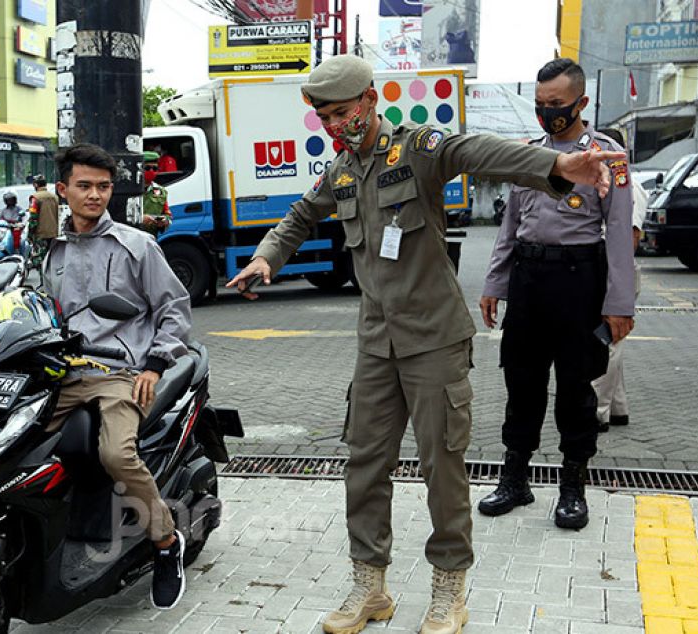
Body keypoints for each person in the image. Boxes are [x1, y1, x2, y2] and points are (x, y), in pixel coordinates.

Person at [225, 55, 622, 634]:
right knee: (363, 465)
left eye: (342, 113)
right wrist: (266, 257)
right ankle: (370, 588)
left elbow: (479, 151)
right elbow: (299, 216)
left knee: (443, 469)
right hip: (375, 344)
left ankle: (448, 592)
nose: (336, 126)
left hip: (434, 340)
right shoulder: (341, 170)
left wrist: (558, 164)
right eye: (325, 118)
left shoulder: (418, 148)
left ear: (368, 100)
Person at [478, 59, 636, 533]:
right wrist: (494, 283)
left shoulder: (608, 157)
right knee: (521, 384)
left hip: (579, 281)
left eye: (557, 105)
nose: (548, 113)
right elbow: (510, 227)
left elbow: (618, 234)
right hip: (529, 280)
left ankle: (573, 486)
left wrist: (619, 304)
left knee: (575, 388)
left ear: (581, 103)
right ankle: (515, 478)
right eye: (541, 105)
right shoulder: (529, 155)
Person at [41, 144, 192, 610]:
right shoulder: (52, 249)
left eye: (103, 187)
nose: (95, 195)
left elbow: (174, 309)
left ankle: (166, 544)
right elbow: (41, 308)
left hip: (119, 372)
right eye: (84, 186)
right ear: (63, 190)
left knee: (117, 455)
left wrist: (154, 364)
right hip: (61, 372)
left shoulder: (137, 245)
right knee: (12, 445)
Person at [591, 128, 646, 432]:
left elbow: (631, 238)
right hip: (606, 269)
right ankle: (618, 408)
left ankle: (598, 410)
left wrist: (615, 278)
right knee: (615, 341)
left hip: (616, 272)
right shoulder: (603, 180)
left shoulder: (629, 186)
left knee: (607, 341)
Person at [27, 174, 59, 270]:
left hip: (41, 235)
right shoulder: (55, 197)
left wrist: (30, 234)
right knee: (52, 261)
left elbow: (33, 218)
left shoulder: (35, 198)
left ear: (36, 185)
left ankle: (43, 283)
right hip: (54, 234)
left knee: (40, 261)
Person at [141, 151, 173, 237]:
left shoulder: (161, 191)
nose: (151, 171)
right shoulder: (128, 189)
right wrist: (140, 219)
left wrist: (165, 221)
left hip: (150, 239)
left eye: (154, 169)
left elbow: (168, 215)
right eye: (147, 168)